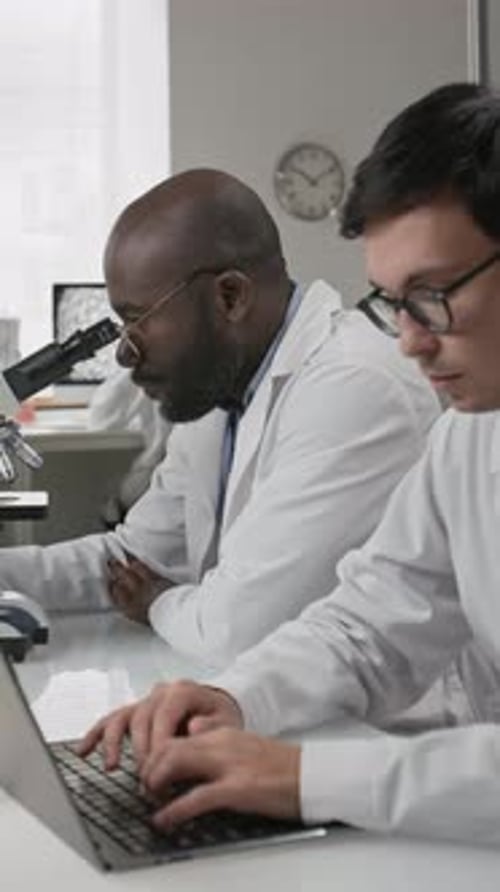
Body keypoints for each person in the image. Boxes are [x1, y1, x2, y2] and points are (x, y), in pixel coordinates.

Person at [79, 83, 500, 846]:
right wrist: (231, 700)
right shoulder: (471, 435)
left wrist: (304, 779)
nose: (408, 340)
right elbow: (373, 620)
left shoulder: (388, 392)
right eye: (393, 300)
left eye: (432, 296)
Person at [0, 169, 438, 668]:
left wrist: (159, 601)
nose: (123, 354)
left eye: (138, 320)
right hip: (266, 708)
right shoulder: (220, 392)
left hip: (381, 735)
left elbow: (240, 629)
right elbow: (133, 560)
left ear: (230, 296)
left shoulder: (353, 388)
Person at [88, 365, 172, 527]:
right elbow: (101, 420)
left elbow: (100, 420)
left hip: (162, 480)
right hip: (156, 476)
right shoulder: (151, 369)